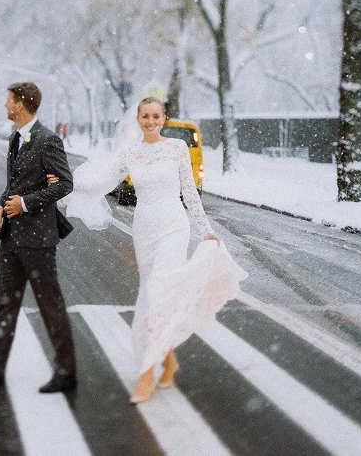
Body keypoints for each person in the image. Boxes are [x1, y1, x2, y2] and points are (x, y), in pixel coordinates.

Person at [63, 97, 246, 404]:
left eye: (155, 116)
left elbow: (189, 191)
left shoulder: (176, 149)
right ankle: (170, 359)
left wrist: (206, 229)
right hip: (144, 229)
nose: (150, 121)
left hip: (174, 226)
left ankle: (147, 372)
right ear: (138, 119)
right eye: (145, 116)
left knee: (159, 292)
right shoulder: (130, 152)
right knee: (152, 294)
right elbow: (101, 181)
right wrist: (67, 182)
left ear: (164, 119)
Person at [0, 81, 78, 394]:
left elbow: (64, 184)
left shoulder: (48, 140)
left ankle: (66, 372)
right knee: (5, 304)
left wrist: (24, 203)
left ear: (21, 104)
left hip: (38, 240)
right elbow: (14, 183)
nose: (5, 105)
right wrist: (1, 203)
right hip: (12, 238)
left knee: (50, 305)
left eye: (8, 100)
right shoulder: (16, 137)